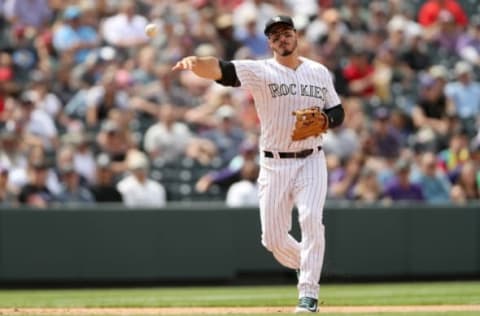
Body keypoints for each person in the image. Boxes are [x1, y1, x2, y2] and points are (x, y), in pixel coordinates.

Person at [172, 15, 345, 313]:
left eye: (286, 32)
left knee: (310, 220)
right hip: (274, 163)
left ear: (296, 35)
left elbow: (338, 112)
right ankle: (310, 263)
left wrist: (326, 120)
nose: (282, 38)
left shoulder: (319, 72)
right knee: (273, 239)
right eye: (275, 35)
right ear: (269, 42)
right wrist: (196, 62)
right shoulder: (261, 70)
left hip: (311, 159)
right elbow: (223, 70)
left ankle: (308, 294)